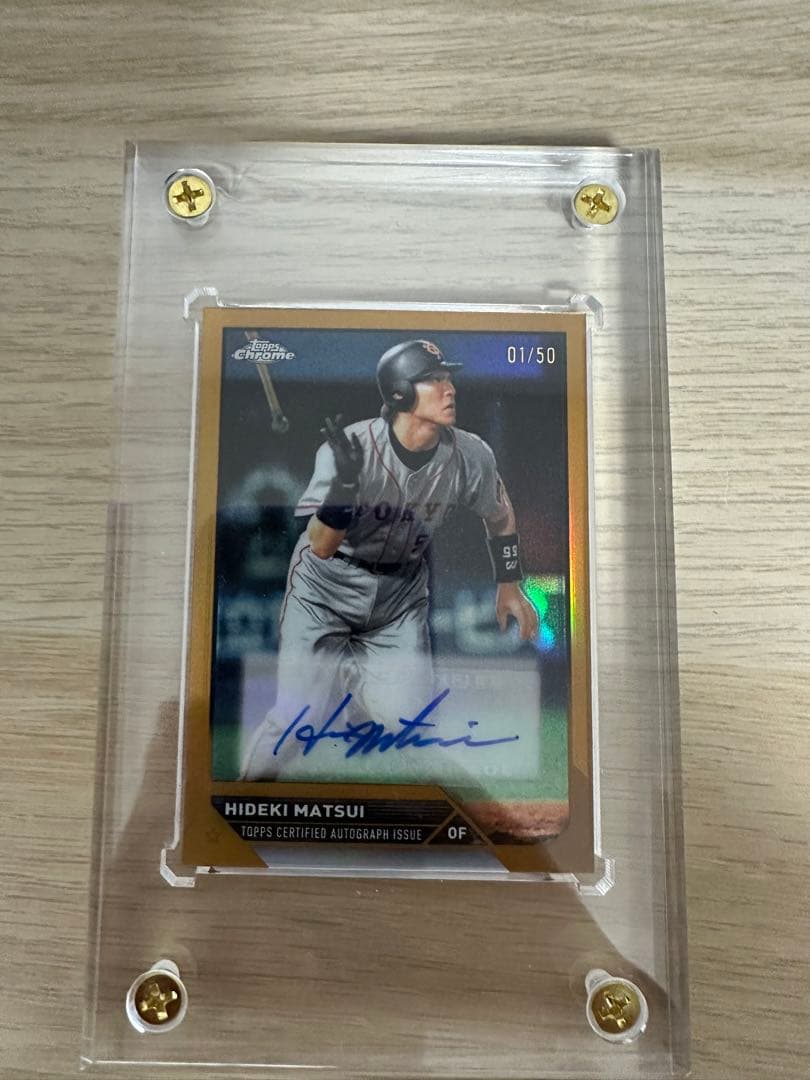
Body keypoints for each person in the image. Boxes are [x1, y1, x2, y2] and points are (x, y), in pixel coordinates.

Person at [240, 339, 538, 780]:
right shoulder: (350, 450)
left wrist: (509, 584)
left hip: (399, 599)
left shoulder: (468, 455)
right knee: (297, 722)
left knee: (410, 725)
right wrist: (344, 488)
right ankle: (242, 802)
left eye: (448, 377)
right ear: (400, 392)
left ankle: (362, 697)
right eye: (434, 379)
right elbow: (320, 546)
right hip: (324, 591)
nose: (449, 388)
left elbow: (500, 513)